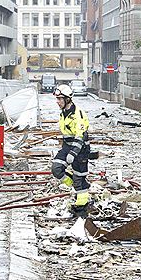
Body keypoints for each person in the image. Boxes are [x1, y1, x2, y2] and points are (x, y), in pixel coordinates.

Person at [51, 84, 91, 217]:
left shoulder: (77, 114)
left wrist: (73, 153)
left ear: (67, 99)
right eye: (57, 99)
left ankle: (82, 207)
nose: (57, 102)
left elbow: (80, 136)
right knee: (56, 168)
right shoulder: (64, 113)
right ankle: (74, 184)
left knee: (80, 178)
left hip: (80, 149)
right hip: (67, 146)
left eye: (59, 99)